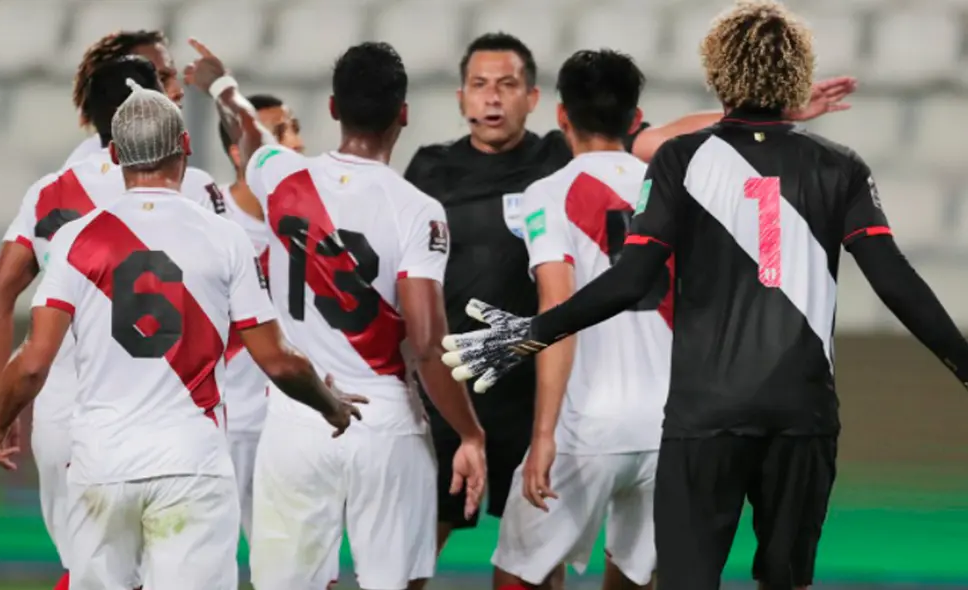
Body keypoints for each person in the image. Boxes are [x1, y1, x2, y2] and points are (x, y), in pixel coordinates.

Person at [441, 3, 968, 589]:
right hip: (802, 412)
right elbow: (894, 279)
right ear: (797, 74)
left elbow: (631, 277)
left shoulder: (681, 160)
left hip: (704, 416)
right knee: (786, 580)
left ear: (717, 74)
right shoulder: (839, 166)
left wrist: (532, 333)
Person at [403, 31, 858, 560]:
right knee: (425, 536)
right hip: (463, 383)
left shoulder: (557, 159)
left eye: (507, 84)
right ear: (461, 96)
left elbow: (664, 135)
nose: (492, 96)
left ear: (540, 103)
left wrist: (773, 114)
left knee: (535, 554)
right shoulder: (429, 168)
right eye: (479, 85)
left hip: (544, 384)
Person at [0, 79, 364, 590]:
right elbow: (280, 361)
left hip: (101, 467)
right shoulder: (223, 237)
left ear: (114, 153)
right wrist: (330, 404)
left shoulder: (75, 239)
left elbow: (33, 363)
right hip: (191, 466)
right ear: (185, 148)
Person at [186, 39, 487, 590]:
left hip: (300, 418)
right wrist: (470, 434)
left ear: (332, 108)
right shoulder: (417, 211)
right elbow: (425, 342)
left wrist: (222, 84)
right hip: (387, 423)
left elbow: (250, 131)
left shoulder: (281, 175)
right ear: (404, 113)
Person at [0, 55, 218, 590]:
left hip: (71, 415)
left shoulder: (50, 190)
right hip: (173, 410)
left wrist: (3, 403)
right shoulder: (195, 187)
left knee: (90, 571)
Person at [491, 49, 665, 590]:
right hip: (669, 423)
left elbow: (556, 312)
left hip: (587, 424)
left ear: (561, 115)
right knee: (637, 572)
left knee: (520, 570)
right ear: (635, 120)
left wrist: (543, 434)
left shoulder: (549, 195)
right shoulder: (675, 192)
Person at [214, 92, 303, 545]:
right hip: (227, 424)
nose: (297, 143)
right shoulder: (209, 225)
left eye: (293, 128)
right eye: (279, 132)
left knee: (301, 563)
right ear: (240, 152)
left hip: (293, 419)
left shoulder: (312, 220)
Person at [66, 29, 225, 214]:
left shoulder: (62, 183)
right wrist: (225, 89)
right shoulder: (194, 188)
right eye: (160, 79)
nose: (178, 90)